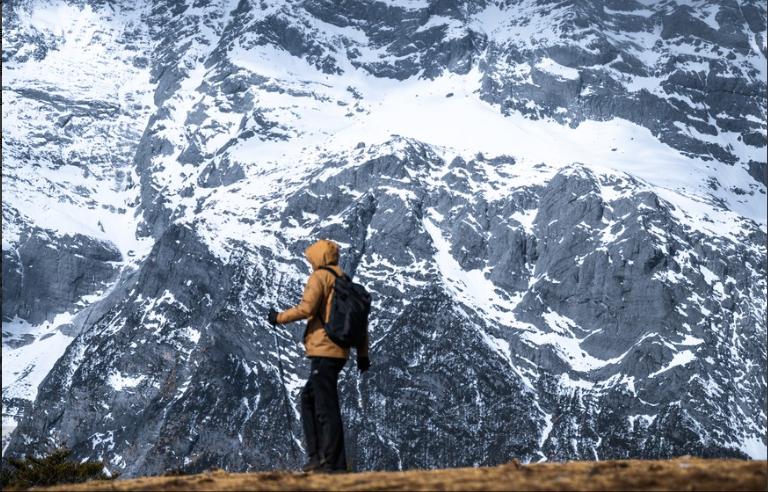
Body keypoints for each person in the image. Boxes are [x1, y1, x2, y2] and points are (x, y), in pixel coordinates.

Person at [267, 239, 370, 473]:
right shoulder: (344, 281)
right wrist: (363, 355)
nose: (309, 261)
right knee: (312, 399)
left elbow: (306, 309)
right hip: (339, 351)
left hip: (324, 349)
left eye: (311, 257)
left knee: (324, 406)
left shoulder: (320, 278)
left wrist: (278, 317)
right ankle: (320, 458)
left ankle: (331, 464)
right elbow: (360, 323)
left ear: (317, 257)